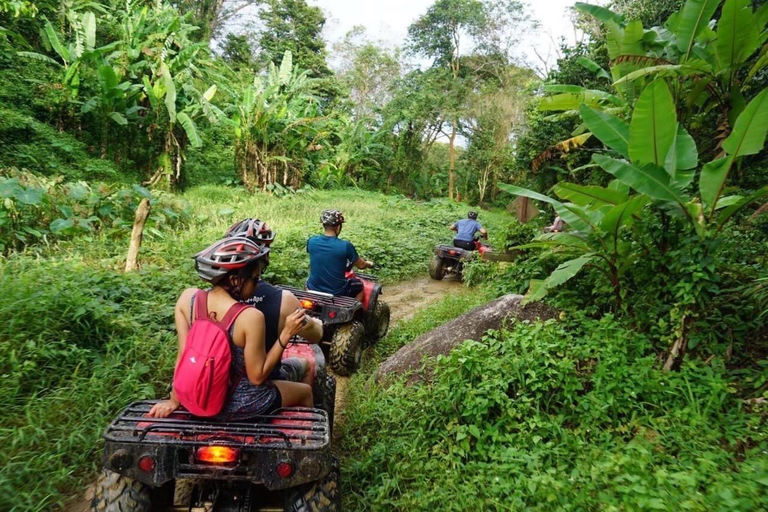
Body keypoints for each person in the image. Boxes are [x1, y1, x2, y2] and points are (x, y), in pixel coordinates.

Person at [147, 237, 312, 420]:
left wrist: (174, 399)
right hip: (243, 404)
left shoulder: (187, 300)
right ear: (235, 280)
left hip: (196, 399)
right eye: (255, 279)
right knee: (305, 392)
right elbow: (257, 377)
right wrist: (287, 333)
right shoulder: (250, 317)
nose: (257, 285)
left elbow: (184, 356)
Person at [224, 218, 323, 385]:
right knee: (307, 363)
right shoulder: (284, 300)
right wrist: (316, 324)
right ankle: (305, 406)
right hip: (265, 381)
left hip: (222, 384)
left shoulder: (207, 298)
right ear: (265, 255)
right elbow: (314, 336)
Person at [306, 209, 373, 301]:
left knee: (308, 281)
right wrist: (368, 264)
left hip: (313, 289)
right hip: (336, 292)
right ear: (338, 227)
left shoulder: (311, 241)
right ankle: (355, 314)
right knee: (358, 285)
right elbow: (361, 265)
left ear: (323, 225)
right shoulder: (345, 245)